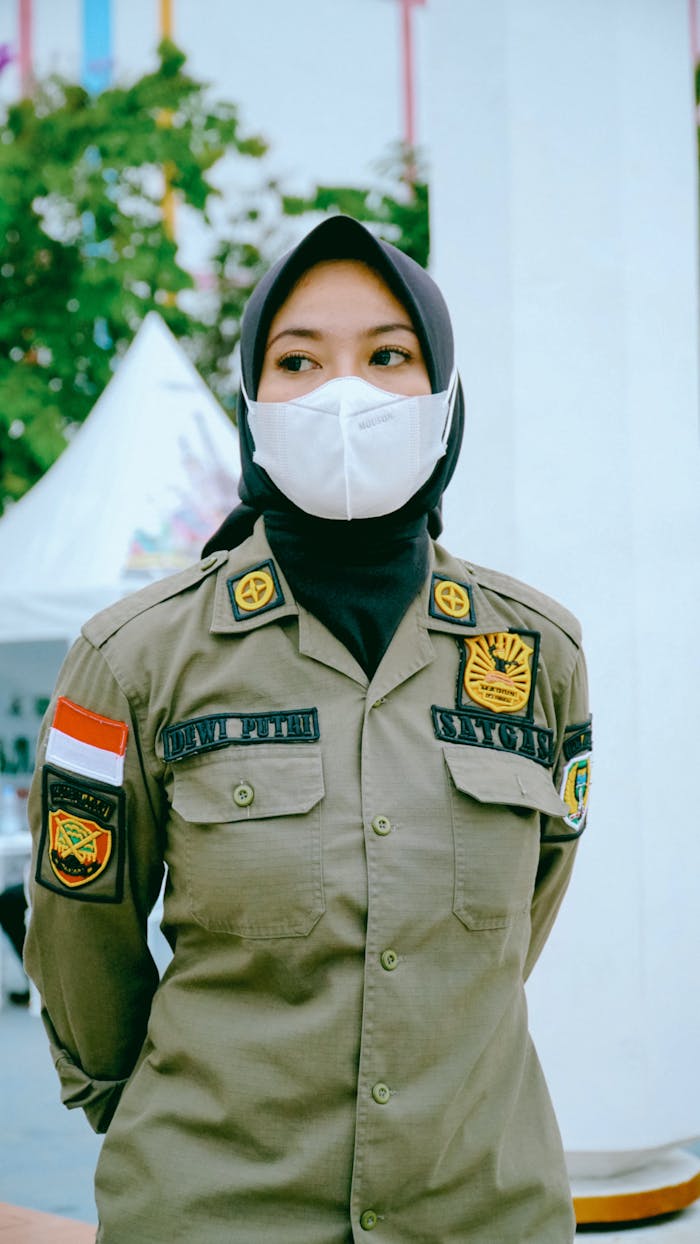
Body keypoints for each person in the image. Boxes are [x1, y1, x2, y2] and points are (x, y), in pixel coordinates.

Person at [25, 215, 592, 1243]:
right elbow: (79, 937)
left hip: (482, 1211)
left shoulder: (538, 652)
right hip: (213, 1211)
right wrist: (162, 1121)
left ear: (443, 399)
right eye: (298, 359)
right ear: (252, 401)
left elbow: (514, 928)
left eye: (387, 356)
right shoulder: (130, 656)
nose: (345, 395)